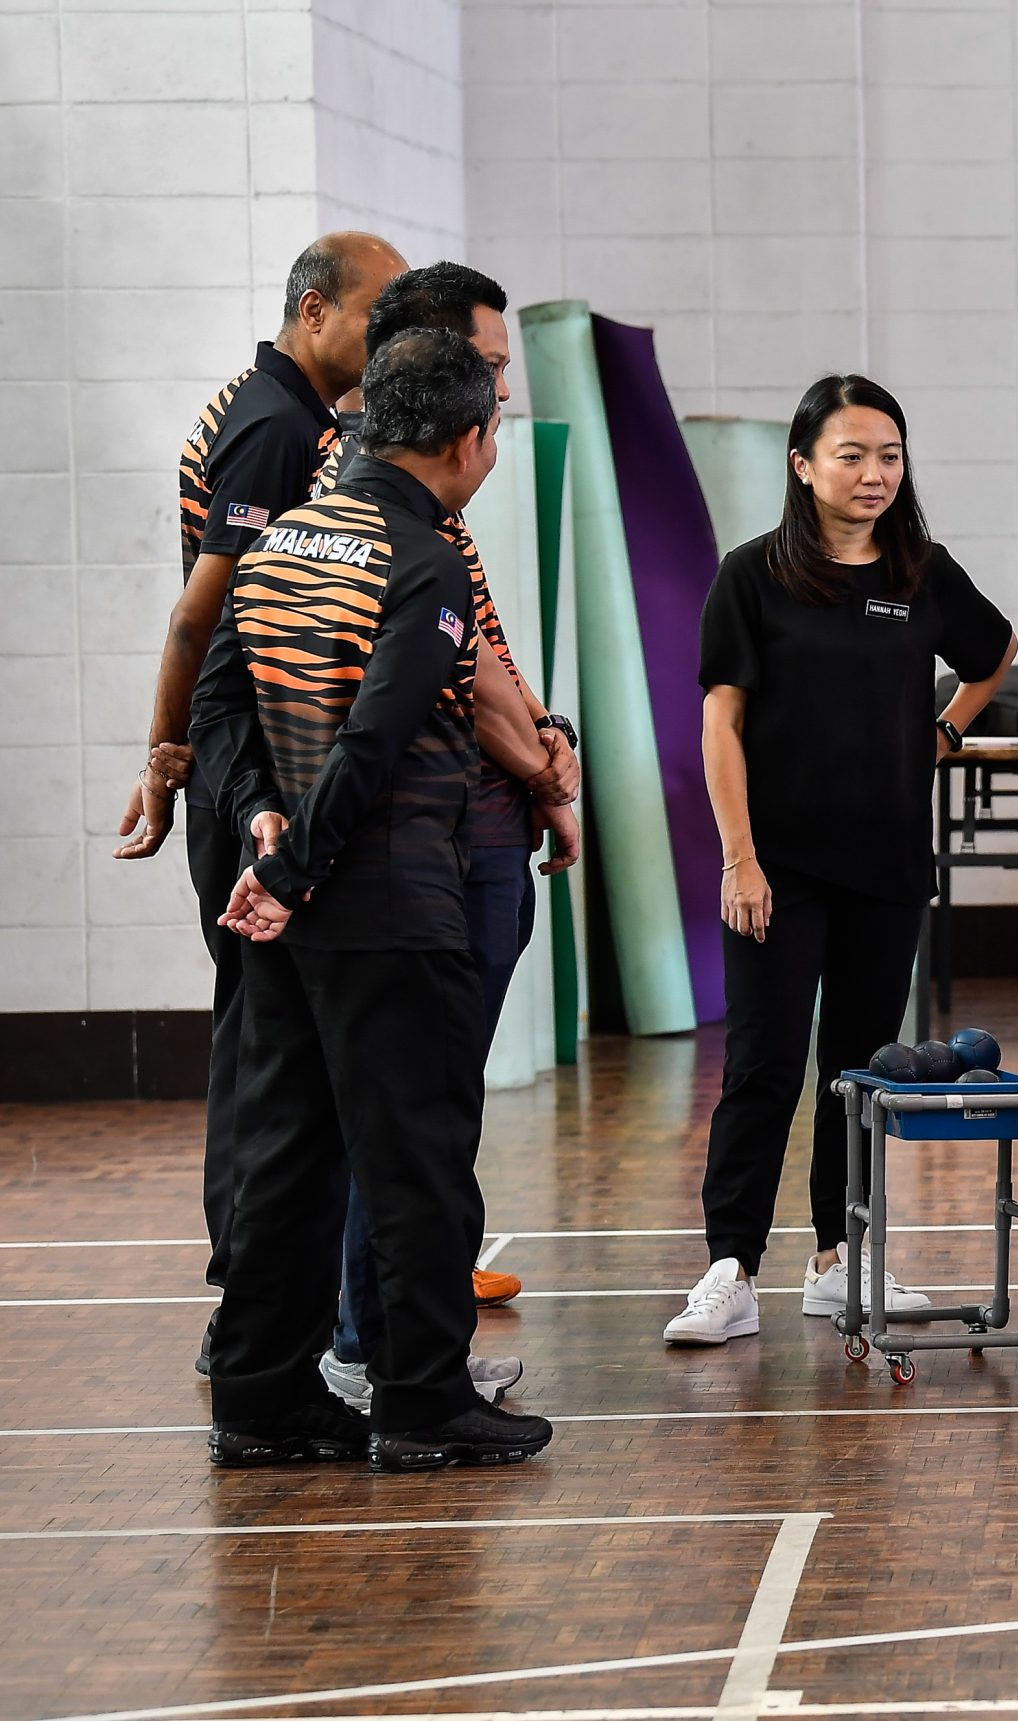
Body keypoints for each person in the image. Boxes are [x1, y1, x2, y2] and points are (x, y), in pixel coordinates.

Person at [190, 326, 552, 1469]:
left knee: (286, 1157)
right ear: (464, 441)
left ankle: (258, 1394)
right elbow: (381, 738)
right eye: (490, 427)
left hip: (283, 907)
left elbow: (221, 710)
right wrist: (300, 867)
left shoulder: (284, 538)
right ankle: (422, 1400)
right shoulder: (427, 558)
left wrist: (261, 830)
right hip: (388, 899)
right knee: (417, 1159)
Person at [665, 374, 1018, 1347]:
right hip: (776, 866)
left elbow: (993, 650)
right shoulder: (751, 576)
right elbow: (720, 726)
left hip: (887, 866)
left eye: (889, 455)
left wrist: (944, 729)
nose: (873, 473)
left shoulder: (920, 572)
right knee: (763, 1067)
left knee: (859, 1073)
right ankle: (730, 1266)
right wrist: (739, 860)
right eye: (852, 454)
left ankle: (840, 1257)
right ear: (802, 465)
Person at [120, 232, 406, 1374]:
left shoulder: (287, 408)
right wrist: (167, 751)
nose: (387, 341)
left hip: (256, 772)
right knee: (265, 1043)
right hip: (247, 777)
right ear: (312, 310)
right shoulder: (279, 428)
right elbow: (204, 615)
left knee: (277, 1043)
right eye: (375, 317)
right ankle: (243, 1306)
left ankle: (272, 1302)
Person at [306, 262, 584, 1415]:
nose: (502, 394)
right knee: (406, 1111)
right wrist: (542, 769)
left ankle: (403, 1334)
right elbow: (447, 680)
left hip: (471, 832)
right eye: (490, 366)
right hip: (421, 851)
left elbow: (491, 655)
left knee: (429, 1110)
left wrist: (548, 747)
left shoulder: (433, 518)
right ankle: (383, 1348)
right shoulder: (377, 509)